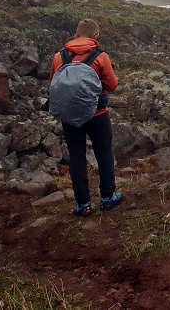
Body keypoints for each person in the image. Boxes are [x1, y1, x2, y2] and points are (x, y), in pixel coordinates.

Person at [49, 18, 123, 216]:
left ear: (75, 35)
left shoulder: (59, 57)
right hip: (97, 114)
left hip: (70, 116)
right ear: (96, 36)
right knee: (104, 154)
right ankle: (107, 197)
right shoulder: (100, 57)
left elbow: (53, 84)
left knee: (77, 157)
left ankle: (83, 204)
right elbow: (112, 86)